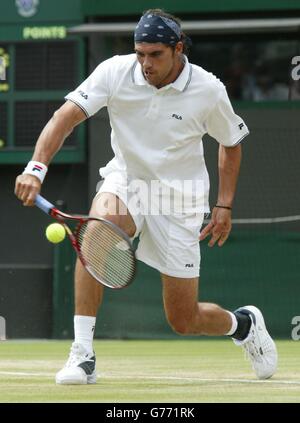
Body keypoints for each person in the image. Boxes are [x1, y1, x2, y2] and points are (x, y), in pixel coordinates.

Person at [15, 9, 277, 385]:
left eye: (155, 55)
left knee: (184, 320)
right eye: (140, 53)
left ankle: (244, 325)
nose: (145, 63)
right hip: (129, 180)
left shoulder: (208, 89)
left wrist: (224, 204)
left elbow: (230, 144)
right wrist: (35, 168)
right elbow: (64, 117)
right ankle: (83, 354)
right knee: (97, 233)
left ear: (178, 49)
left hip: (180, 198)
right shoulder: (115, 71)